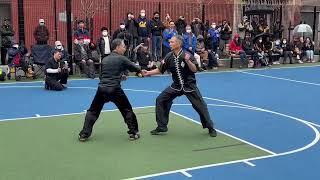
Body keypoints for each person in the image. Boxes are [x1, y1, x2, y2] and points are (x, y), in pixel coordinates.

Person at [142, 35, 217, 137]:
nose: (170, 44)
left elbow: (194, 69)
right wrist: (148, 73)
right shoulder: (168, 56)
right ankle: (162, 126)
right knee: (160, 99)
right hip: (176, 86)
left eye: (172, 42)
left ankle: (210, 127)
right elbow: (160, 70)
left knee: (201, 106)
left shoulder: (187, 55)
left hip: (189, 85)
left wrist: (188, 61)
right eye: (170, 42)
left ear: (179, 44)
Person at [78, 39, 143, 142]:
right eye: (123, 46)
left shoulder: (104, 59)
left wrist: (119, 77)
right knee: (127, 110)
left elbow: (102, 76)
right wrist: (142, 71)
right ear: (117, 47)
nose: (125, 48)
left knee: (93, 111)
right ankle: (133, 133)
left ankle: (84, 134)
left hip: (102, 89)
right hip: (115, 90)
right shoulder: (122, 58)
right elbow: (135, 68)